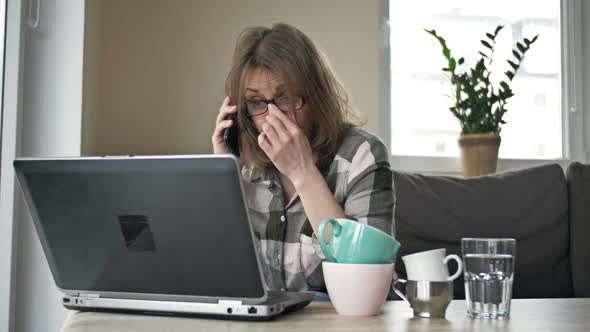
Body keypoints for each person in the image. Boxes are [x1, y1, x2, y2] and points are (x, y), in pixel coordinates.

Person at [211, 23, 394, 292]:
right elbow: (218, 276)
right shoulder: (244, 166)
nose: (273, 116)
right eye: (257, 102)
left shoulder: (362, 156)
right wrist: (223, 177)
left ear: (316, 95)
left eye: (285, 97)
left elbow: (369, 286)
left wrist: (303, 173)